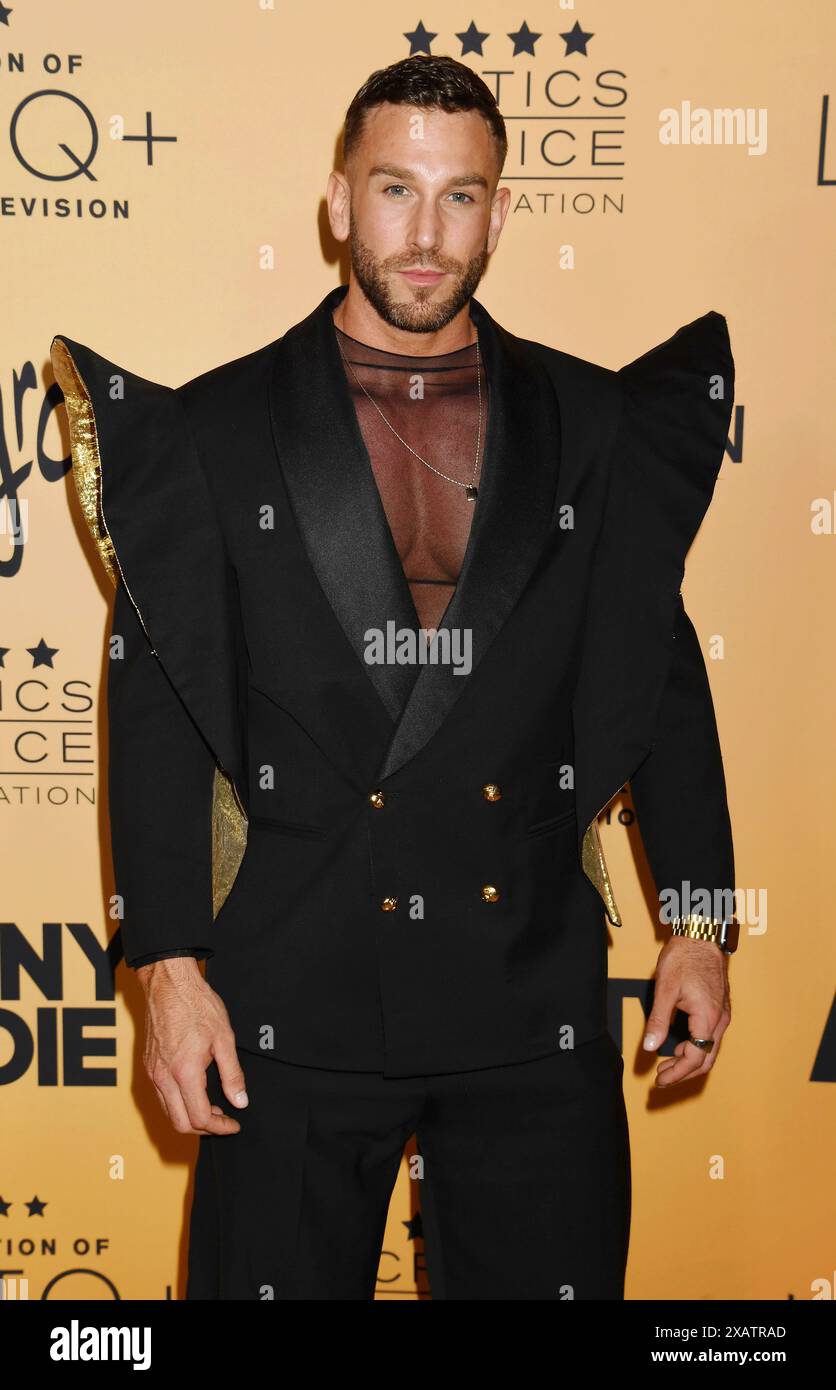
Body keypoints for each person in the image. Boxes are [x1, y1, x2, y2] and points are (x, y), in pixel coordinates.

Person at [50, 54, 738, 1300]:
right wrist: (169, 969)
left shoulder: (590, 425)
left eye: (459, 197)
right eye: (393, 191)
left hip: (530, 998)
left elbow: (659, 666)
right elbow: (153, 705)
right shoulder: (217, 430)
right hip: (289, 999)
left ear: (501, 210)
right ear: (335, 200)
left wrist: (697, 921)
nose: (424, 236)